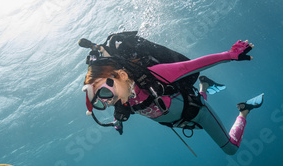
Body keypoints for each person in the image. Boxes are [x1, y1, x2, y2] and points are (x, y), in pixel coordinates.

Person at [80, 31, 264, 155]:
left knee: (231, 149)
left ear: (119, 75)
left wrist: (230, 55)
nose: (108, 102)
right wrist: (117, 124)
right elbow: (119, 116)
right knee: (195, 101)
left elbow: (190, 66)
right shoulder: (121, 101)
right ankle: (204, 86)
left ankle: (243, 111)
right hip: (181, 120)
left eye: (104, 93)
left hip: (199, 114)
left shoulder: (152, 76)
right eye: (99, 104)